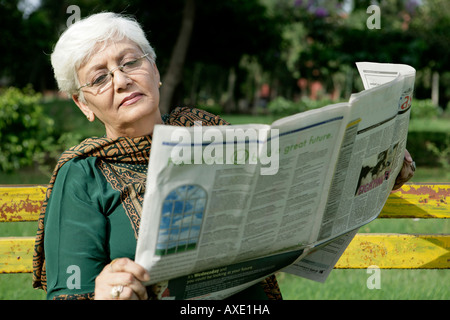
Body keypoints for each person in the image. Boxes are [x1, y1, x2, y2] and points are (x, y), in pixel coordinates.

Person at [32, 12, 415, 300]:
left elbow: (301, 199)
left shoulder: (210, 132)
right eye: (99, 78)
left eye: (130, 62)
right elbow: (69, 291)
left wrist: (374, 166)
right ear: (84, 105)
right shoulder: (84, 174)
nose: (121, 79)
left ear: (155, 69)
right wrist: (103, 291)